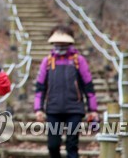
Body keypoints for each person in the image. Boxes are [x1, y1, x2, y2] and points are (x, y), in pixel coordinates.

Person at [34, 25, 98, 158]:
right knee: (52, 145)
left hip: (74, 109)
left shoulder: (78, 61)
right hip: (53, 110)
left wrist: (93, 109)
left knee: (72, 145)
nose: (60, 45)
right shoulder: (47, 61)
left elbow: (88, 86)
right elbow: (40, 87)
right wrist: (38, 109)